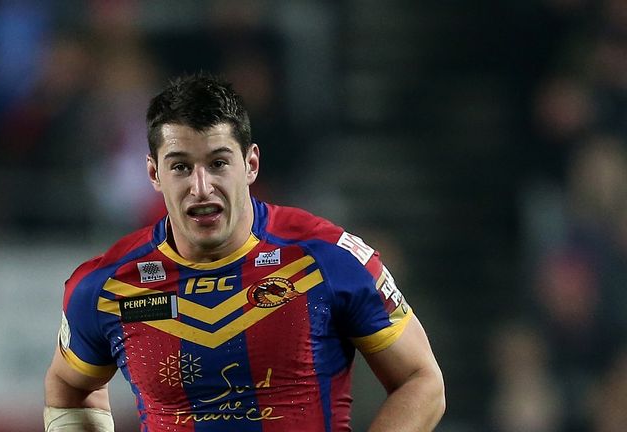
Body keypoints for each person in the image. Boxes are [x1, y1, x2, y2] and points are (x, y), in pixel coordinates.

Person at [43, 73, 445, 432]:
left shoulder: (329, 258)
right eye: (181, 167)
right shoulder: (105, 287)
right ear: (153, 173)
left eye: (218, 162)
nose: (201, 187)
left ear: (251, 164)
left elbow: (420, 380)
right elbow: (69, 387)